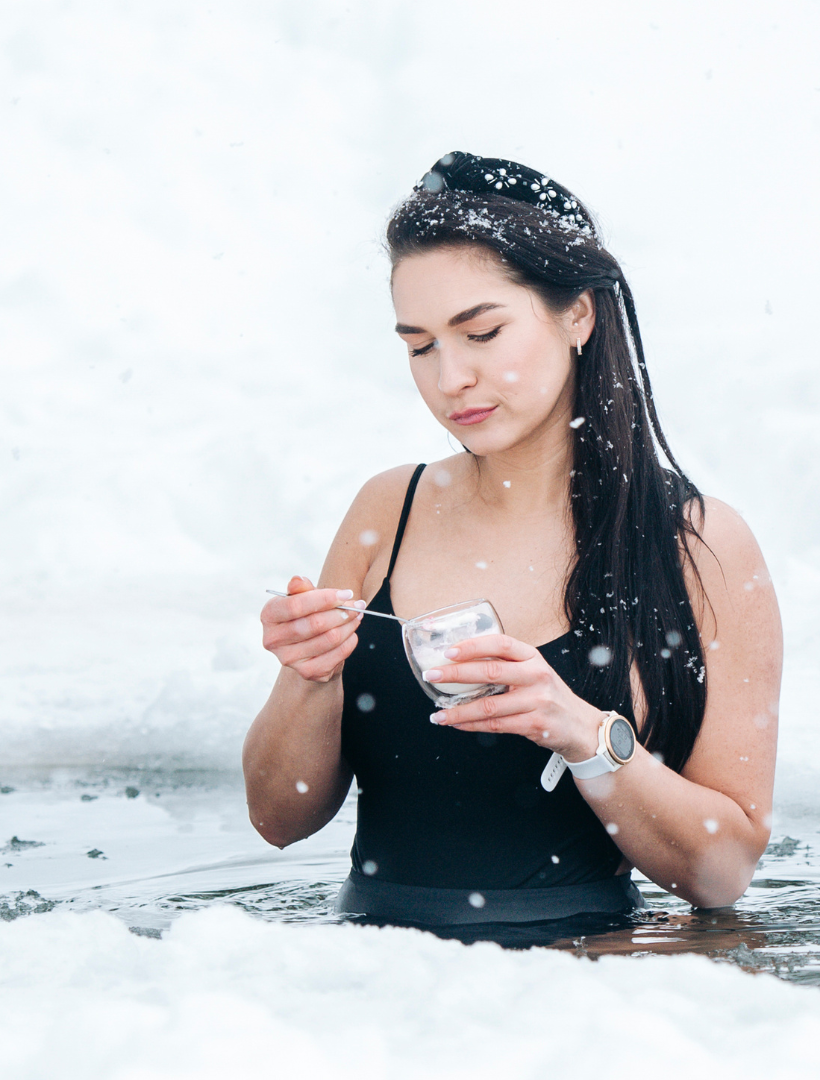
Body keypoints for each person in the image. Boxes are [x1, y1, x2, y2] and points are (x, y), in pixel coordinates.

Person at [243, 152, 782, 928]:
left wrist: (583, 734)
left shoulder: (697, 543)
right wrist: (309, 675)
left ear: (578, 315)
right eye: (419, 346)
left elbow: (722, 872)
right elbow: (278, 819)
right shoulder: (387, 509)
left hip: (587, 976)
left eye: (482, 332)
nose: (449, 378)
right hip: (370, 971)